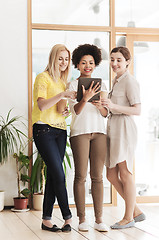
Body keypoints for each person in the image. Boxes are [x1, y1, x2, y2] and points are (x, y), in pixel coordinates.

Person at [32, 44, 76, 232]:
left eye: (66, 59)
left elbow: (58, 110)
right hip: (44, 131)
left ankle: (46, 219)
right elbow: (42, 106)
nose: (64, 62)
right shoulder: (43, 78)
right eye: (60, 58)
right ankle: (68, 217)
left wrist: (64, 111)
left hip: (60, 130)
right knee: (59, 173)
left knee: (53, 174)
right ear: (53, 58)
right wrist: (61, 95)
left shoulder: (63, 82)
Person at [101, 46, 146, 229]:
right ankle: (135, 210)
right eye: (112, 59)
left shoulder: (130, 82)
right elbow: (109, 109)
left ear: (128, 61)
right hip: (113, 127)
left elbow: (137, 110)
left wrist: (113, 106)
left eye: (119, 60)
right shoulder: (115, 81)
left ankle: (128, 217)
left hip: (125, 129)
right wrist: (103, 106)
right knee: (111, 174)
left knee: (125, 172)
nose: (114, 63)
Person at [68, 44, 109, 232]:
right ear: (77, 64)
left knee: (98, 177)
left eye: (91, 62)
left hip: (99, 132)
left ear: (95, 64)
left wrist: (100, 103)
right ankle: (82, 218)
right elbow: (74, 112)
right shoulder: (72, 85)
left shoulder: (103, 84)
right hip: (79, 133)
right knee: (80, 176)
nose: (87, 65)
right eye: (83, 62)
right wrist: (85, 98)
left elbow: (104, 113)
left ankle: (99, 219)